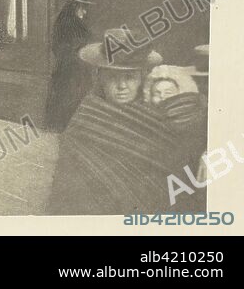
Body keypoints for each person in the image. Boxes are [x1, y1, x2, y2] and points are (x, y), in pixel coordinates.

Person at [46, 27, 205, 215]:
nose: (122, 86)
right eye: (113, 77)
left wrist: (206, 151)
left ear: (141, 78)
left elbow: (195, 133)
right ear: (100, 78)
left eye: (129, 78)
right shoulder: (86, 119)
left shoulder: (156, 108)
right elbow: (69, 191)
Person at [42, 0, 94, 132]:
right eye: (83, 9)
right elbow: (74, 51)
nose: (85, 12)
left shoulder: (63, 22)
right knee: (69, 106)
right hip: (72, 75)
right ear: (77, 7)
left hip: (66, 73)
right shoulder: (71, 25)